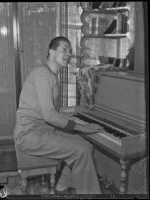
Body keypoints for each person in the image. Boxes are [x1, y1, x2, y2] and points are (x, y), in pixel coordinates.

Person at [14, 36, 104, 194]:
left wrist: (76, 110)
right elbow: (49, 115)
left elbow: (51, 110)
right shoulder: (42, 73)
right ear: (51, 51)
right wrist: (82, 127)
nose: (68, 54)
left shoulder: (52, 76)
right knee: (81, 149)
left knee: (87, 146)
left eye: (70, 51)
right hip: (29, 134)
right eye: (64, 49)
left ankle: (62, 185)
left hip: (42, 130)